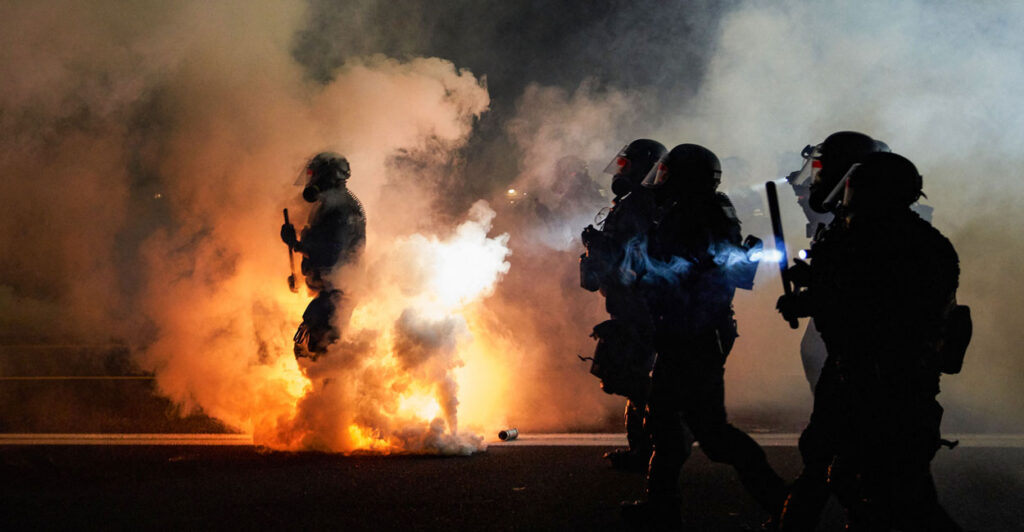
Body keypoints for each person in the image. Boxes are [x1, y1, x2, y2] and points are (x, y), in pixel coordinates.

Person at [778, 152, 964, 531]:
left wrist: (811, 297)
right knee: (856, 476)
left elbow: (865, 305)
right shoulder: (907, 239)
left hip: (885, 381)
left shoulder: (884, 243)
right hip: (874, 375)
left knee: (897, 490)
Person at [622, 144, 782, 530]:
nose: (660, 181)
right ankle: (661, 505)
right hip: (684, 330)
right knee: (663, 421)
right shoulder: (700, 211)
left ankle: (781, 499)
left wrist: (646, 276)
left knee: (712, 433)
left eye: (668, 174)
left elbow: (692, 273)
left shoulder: (696, 216)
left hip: (694, 333)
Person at [581, 139, 666, 470]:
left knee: (636, 380)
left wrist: (599, 247)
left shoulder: (641, 207)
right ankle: (643, 449)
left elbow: (633, 259)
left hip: (638, 305)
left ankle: (650, 449)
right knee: (632, 379)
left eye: (627, 166)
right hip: (629, 304)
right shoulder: (635, 204)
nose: (621, 172)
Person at [280, 152, 366, 360]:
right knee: (304, 345)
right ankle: (325, 387)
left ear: (327, 177)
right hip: (329, 295)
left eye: (313, 174)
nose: (310, 180)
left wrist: (296, 244)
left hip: (338, 297)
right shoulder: (330, 207)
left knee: (320, 353)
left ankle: (330, 390)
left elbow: (332, 253)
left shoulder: (343, 210)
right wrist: (301, 276)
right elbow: (320, 251)